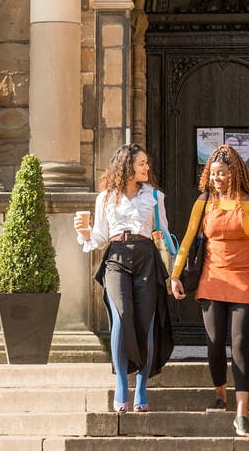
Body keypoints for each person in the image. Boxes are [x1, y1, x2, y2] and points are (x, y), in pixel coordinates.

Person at [168, 145, 249, 437]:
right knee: (214, 342)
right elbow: (188, 238)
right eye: (212, 173)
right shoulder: (204, 202)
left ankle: (242, 413)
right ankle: (220, 393)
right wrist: (175, 275)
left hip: (245, 278)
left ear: (234, 173)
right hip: (212, 278)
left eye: (222, 173)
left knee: (239, 344)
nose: (216, 178)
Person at [74, 144, 175, 413]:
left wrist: (173, 272)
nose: (147, 167)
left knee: (146, 322)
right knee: (121, 315)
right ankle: (121, 382)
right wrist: (84, 232)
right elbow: (98, 239)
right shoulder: (105, 198)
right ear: (127, 166)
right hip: (116, 257)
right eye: (142, 163)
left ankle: (141, 383)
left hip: (147, 258)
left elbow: (163, 234)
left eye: (146, 163)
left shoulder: (155, 196)